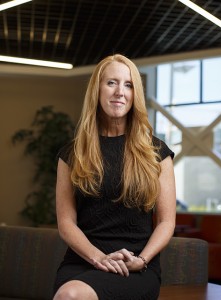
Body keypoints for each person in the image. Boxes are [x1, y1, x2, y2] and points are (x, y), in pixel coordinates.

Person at [53, 54, 176, 300]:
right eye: (111, 83)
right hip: (83, 261)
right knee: (70, 293)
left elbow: (166, 222)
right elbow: (66, 223)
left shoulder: (157, 153)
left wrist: (142, 260)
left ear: (135, 95)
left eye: (128, 84)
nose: (120, 91)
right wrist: (99, 258)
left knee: (70, 296)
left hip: (135, 267)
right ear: (97, 90)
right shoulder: (72, 153)